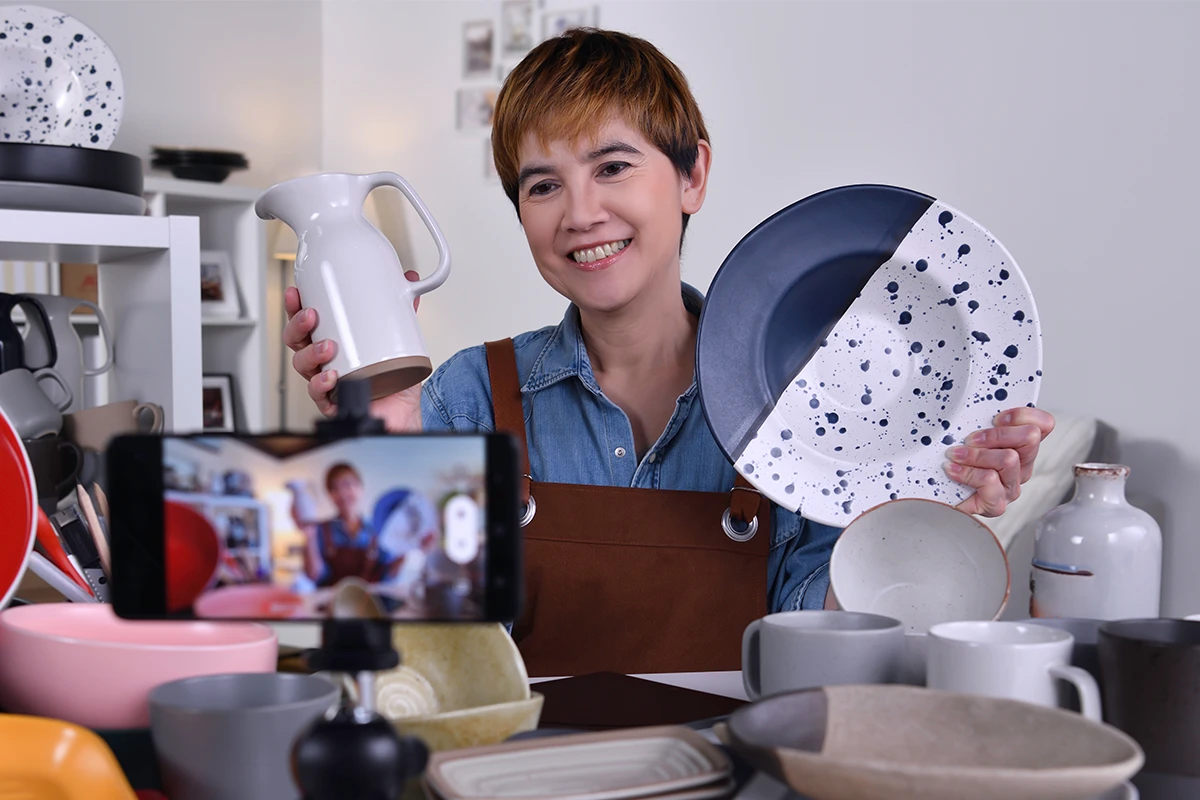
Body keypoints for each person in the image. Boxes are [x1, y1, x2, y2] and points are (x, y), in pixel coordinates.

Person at [284, 29, 1055, 676]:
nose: (582, 213)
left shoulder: (804, 414)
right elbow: (404, 655)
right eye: (542, 185)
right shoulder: (467, 395)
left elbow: (818, 640)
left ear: (693, 176)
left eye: (613, 167)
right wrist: (376, 444)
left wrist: (922, 519)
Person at [300, 462, 397, 588]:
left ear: (360, 488)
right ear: (330, 495)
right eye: (335, 488)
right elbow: (314, 575)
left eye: (347, 484)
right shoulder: (320, 529)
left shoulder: (378, 528)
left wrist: (412, 547)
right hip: (331, 603)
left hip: (368, 603)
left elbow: (388, 573)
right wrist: (310, 537)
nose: (342, 493)